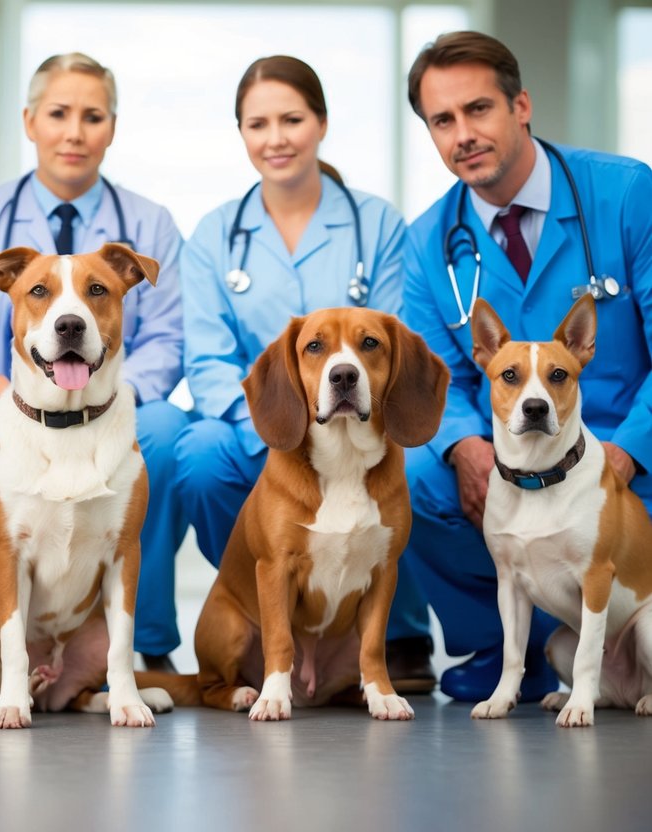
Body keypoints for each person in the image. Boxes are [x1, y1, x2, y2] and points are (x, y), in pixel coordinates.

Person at [0, 52, 189, 670]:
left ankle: (144, 639)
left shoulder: (151, 224)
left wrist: (110, 401)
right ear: (30, 120)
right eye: (58, 113)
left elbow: (168, 339)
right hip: (10, 402)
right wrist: (1, 400)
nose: (74, 131)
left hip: (115, 401)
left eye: (92, 116)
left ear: (111, 128)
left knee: (168, 436)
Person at [401, 31, 652, 701]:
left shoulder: (627, 195)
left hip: (631, 460)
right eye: (441, 121)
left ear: (520, 106)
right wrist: (462, 445)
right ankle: (497, 648)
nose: (462, 134)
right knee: (411, 476)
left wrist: (626, 452)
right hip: (512, 460)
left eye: (477, 109)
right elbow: (436, 378)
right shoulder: (427, 243)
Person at [174, 55, 436, 692]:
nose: (277, 137)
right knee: (199, 458)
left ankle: (395, 634)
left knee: (421, 469)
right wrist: (274, 425)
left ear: (320, 122)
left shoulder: (377, 223)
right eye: (258, 123)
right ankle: (274, 615)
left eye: (292, 118)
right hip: (264, 423)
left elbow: (396, 337)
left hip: (368, 419)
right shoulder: (214, 235)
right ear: (241, 134)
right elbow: (207, 359)